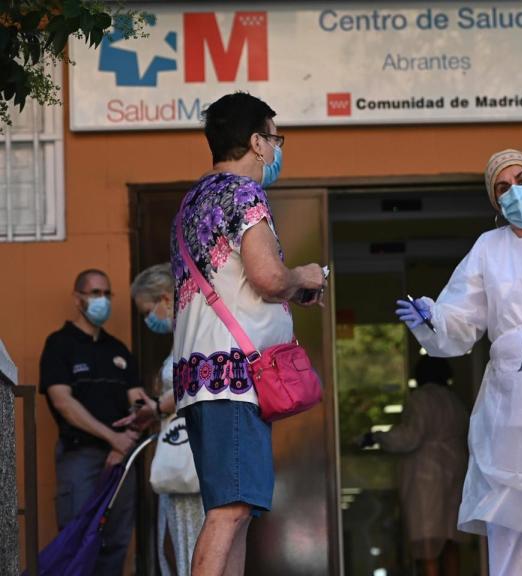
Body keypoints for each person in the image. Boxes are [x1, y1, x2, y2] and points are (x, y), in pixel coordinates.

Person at [395, 149, 522, 576]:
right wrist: (434, 318)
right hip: (511, 403)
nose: (514, 192)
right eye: (503, 187)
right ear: (495, 202)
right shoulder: (489, 248)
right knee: (508, 521)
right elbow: (460, 318)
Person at [170, 92, 326, 576]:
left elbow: (236, 282)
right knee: (231, 510)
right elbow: (266, 276)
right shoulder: (243, 195)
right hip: (231, 377)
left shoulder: (192, 202)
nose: (276, 150)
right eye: (274, 139)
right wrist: (304, 276)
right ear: (257, 142)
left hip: (202, 377)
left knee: (235, 510)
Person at [39, 268, 146, 575]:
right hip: (80, 456)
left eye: (106, 294)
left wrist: (125, 443)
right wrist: (111, 438)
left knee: (114, 541)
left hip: (121, 460)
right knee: (78, 535)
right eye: (94, 293)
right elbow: (63, 402)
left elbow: (140, 403)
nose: (102, 300)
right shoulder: (60, 345)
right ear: (78, 299)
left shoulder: (118, 350)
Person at [117, 263, 205, 575]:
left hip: (191, 452)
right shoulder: (183, 334)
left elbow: (193, 386)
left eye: (147, 310)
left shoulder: (194, 332)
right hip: (178, 449)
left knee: (196, 539)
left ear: (167, 298)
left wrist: (156, 407)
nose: (147, 320)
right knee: (180, 539)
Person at [361, 356, 469, 576]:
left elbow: (410, 437)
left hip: (426, 475)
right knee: (451, 541)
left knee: (428, 543)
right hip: (456, 471)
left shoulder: (420, 399)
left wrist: (377, 437)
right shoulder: (455, 401)